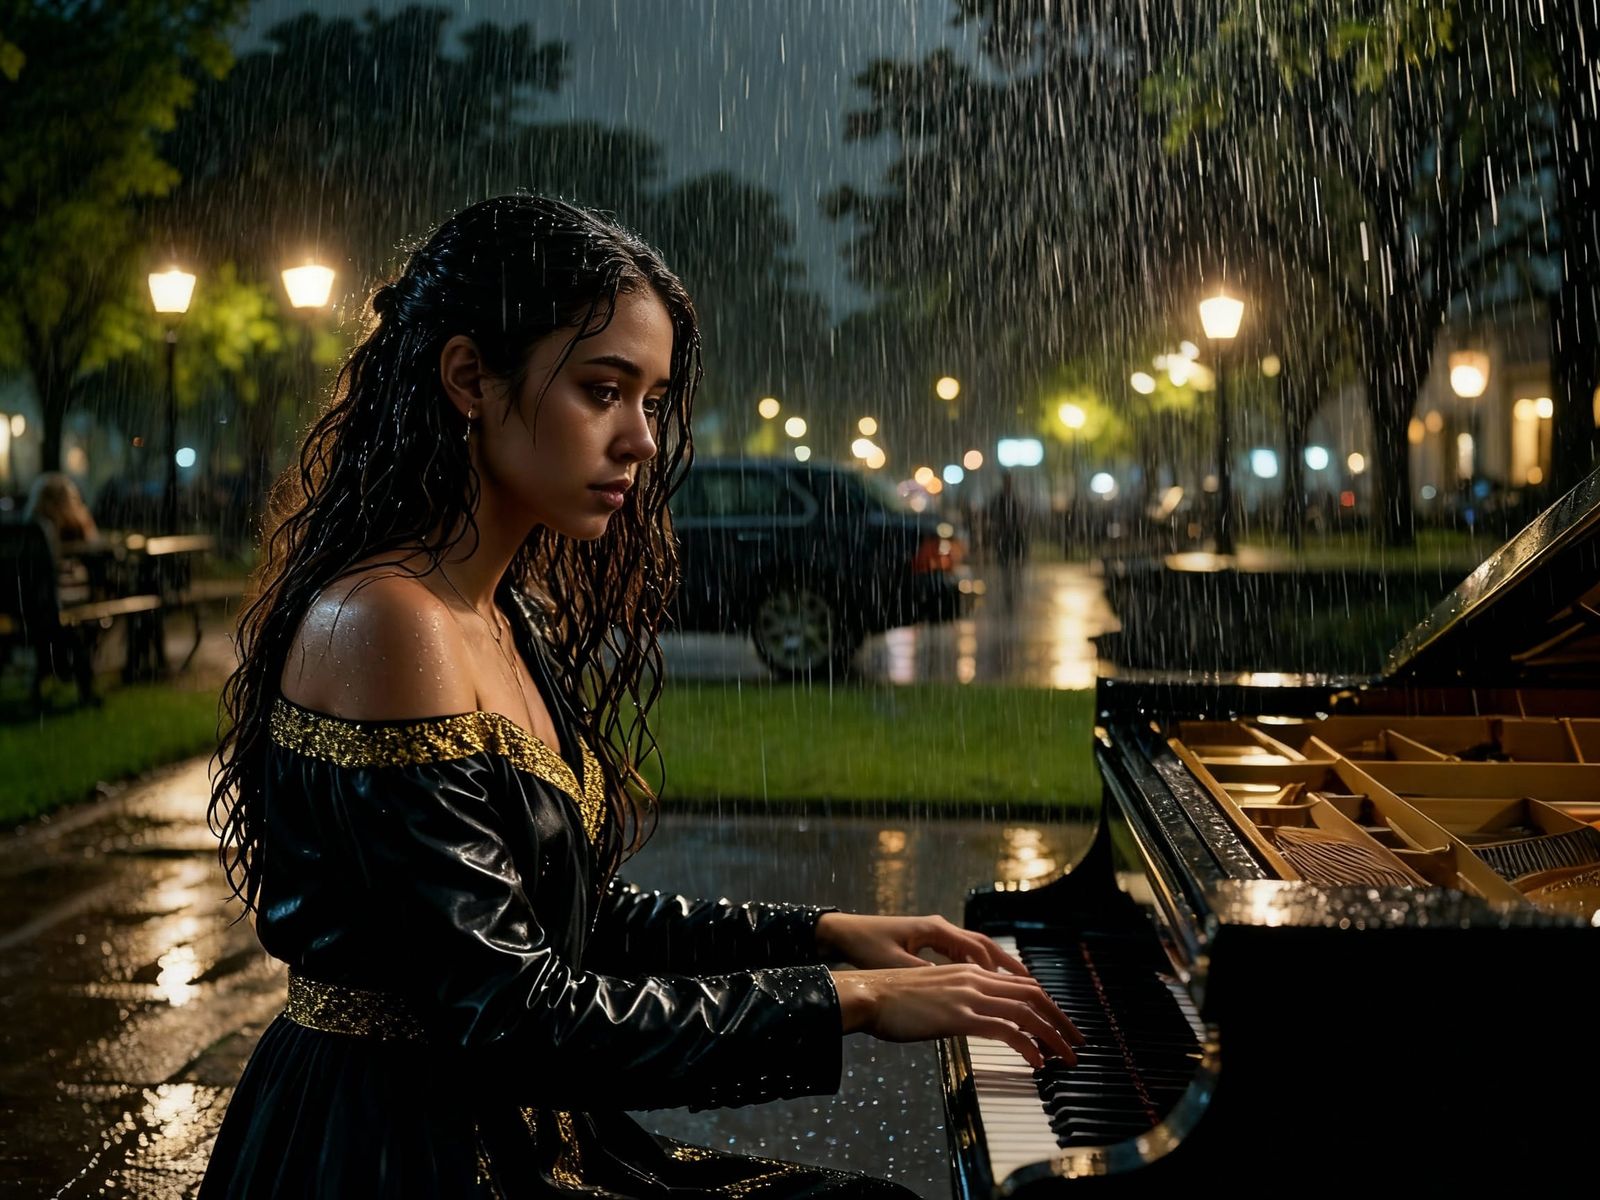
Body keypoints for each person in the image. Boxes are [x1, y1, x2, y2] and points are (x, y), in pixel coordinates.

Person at [201, 195, 1081, 1199]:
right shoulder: (387, 623)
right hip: (397, 1149)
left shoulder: (500, 612)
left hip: (511, 1129)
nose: (642, 442)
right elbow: (512, 1013)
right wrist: (853, 1000)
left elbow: (564, 920)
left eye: (652, 400)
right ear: (468, 380)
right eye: (602, 390)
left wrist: (825, 934)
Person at [983, 472, 1030, 610]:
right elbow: (991, 516)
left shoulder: (1013, 498)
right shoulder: (1001, 499)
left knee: (1014, 564)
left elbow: (1021, 517)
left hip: (1013, 537)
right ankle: (1009, 589)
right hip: (1005, 537)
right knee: (1006, 566)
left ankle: (1013, 588)